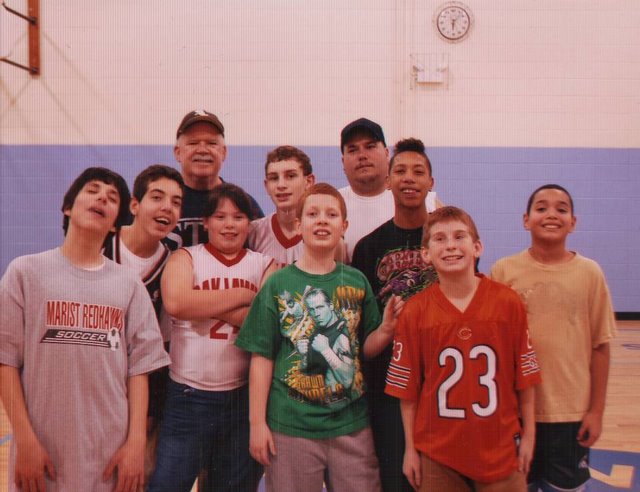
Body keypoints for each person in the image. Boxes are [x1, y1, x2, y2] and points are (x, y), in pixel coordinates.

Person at [0, 167, 170, 492]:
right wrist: (24, 440)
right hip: (41, 452)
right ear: (68, 207)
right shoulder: (25, 272)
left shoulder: (129, 284)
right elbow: (5, 361)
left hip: (109, 458)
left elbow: (140, 370)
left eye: (112, 197)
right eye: (93, 190)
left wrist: (136, 444)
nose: (102, 197)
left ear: (116, 223)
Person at [236, 183, 404, 492]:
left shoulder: (356, 281)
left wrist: (385, 330)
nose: (322, 220)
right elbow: (262, 357)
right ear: (299, 225)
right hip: (292, 426)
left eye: (331, 214)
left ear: (344, 226)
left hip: (351, 425)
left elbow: (365, 349)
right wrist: (256, 423)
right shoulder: (277, 284)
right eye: (313, 214)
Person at [386, 206, 542, 492]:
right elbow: (407, 392)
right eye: (440, 239)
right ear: (426, 254)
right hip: (437, 453)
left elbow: (526, 379)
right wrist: (410, 448)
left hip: (499, 448)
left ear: (477, 247)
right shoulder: (415, 312)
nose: (450, 246)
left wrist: (529, 436)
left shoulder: (507, 303)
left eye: (459, 237)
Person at [148, 183, 277, 492]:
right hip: (188, 396)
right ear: (205, 222)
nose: (229, 225)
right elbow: (178, 303)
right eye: (220, 217)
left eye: (238, 217)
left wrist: (203, 306)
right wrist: (243, 294)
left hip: (242, 401)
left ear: (249, 224)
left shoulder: (264, 264)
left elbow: (266, 324)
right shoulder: (185, 257)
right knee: (166, 485)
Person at [491, 184, 616, 492]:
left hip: (570, 414)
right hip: (516, 413)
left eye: (561, 209)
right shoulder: (504, 271)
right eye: (541, 208)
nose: (551, 215)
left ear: (573, 222)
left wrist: (596, 411)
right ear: (526, 220)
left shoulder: (590, 273)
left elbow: (601, 346)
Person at [351, 138, 438, 492]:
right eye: (400, 171)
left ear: (431, 182)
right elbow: (362, 330)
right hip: (388, 383)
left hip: (440, 378)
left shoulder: (448, 240)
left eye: (418, 171)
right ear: (388, 181)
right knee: (395, 480)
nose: (409, 178)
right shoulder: (368, 247)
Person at [102, 164, 184, 478]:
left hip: (139, 394)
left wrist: (149, 414)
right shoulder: (100, 245)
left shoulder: (174, 263)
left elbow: (159, 351)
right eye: (157, 197)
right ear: (135, 205)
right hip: (93, 386)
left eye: (176, 202)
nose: (167, 207)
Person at [339, 118, 438, 263]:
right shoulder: (334, 206)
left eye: (370, 146)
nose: (362, 156)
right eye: (353, 150)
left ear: (386, 154)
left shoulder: (427, 200)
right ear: (343, 161)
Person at [166, 109, 264, 249]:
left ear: (223, 152)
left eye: (212, 143)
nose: (202, 150)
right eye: (193, 143)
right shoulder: (161, 201)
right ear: (177, 152)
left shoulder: (243, 203)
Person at [248, 145, 315, 266]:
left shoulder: (321, 230)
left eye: (290, 176)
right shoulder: (253, 233)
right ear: (266, 186)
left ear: (309, 181)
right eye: (274, 178)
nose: (281, 185)